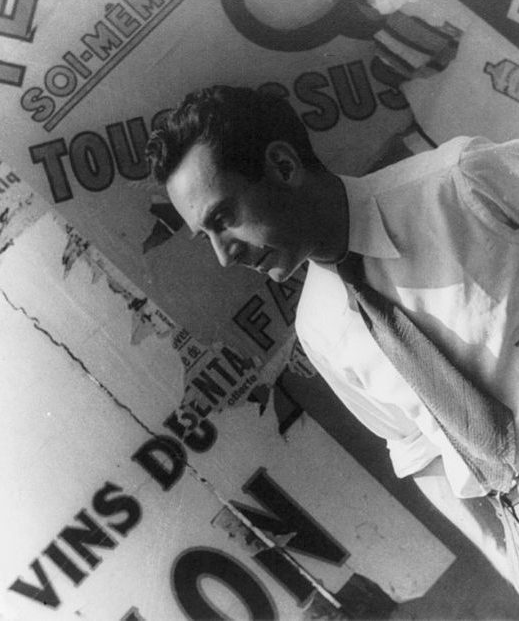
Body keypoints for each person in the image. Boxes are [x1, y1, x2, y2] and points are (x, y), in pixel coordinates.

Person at [145, 84, 519, 587]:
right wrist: (506, 556)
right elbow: (417, 449)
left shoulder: (458, 184)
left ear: (283, 166)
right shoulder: (320, 327)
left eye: (223, 219)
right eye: (206, 236)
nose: (223, 255)